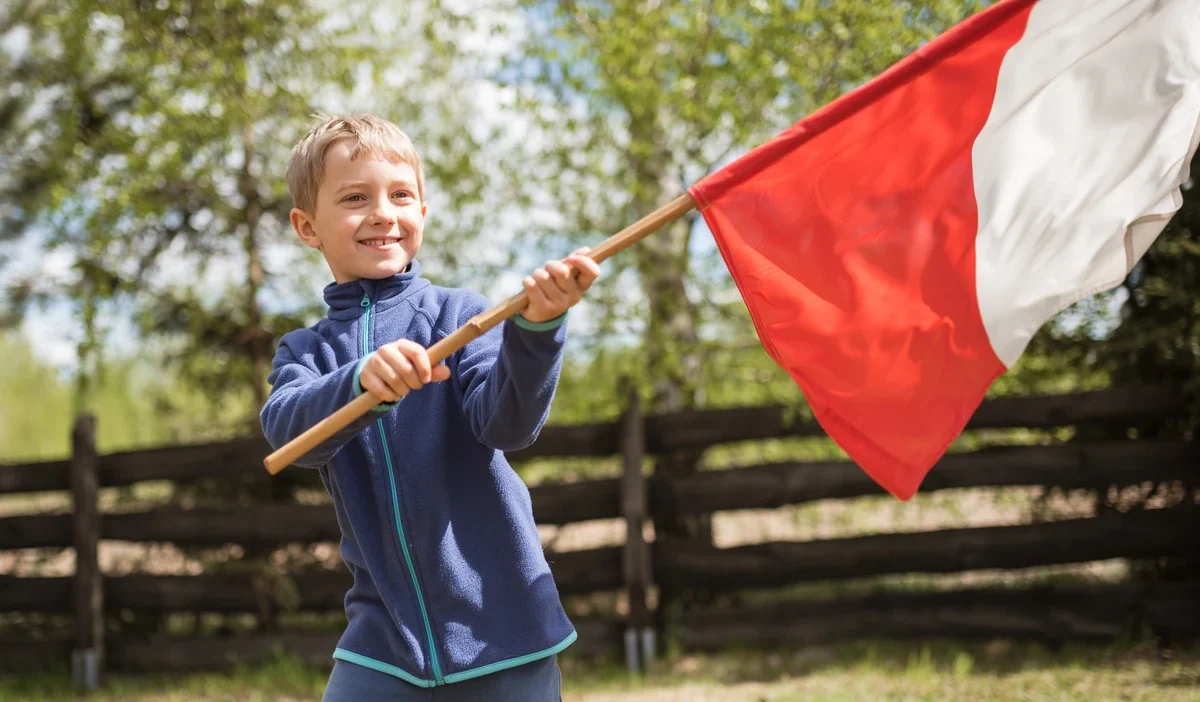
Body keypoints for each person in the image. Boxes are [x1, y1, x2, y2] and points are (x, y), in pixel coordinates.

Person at [259, 113, 601, 701]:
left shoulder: (459, 316)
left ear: (423, 212)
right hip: (383, 642)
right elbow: (290, 435)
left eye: (401, 195)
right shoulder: (306, 351)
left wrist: (537, 332)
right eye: (355, 197)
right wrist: (359, 381)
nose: (382, 213)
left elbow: (509, 424)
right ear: (307, 226)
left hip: (505, 629)